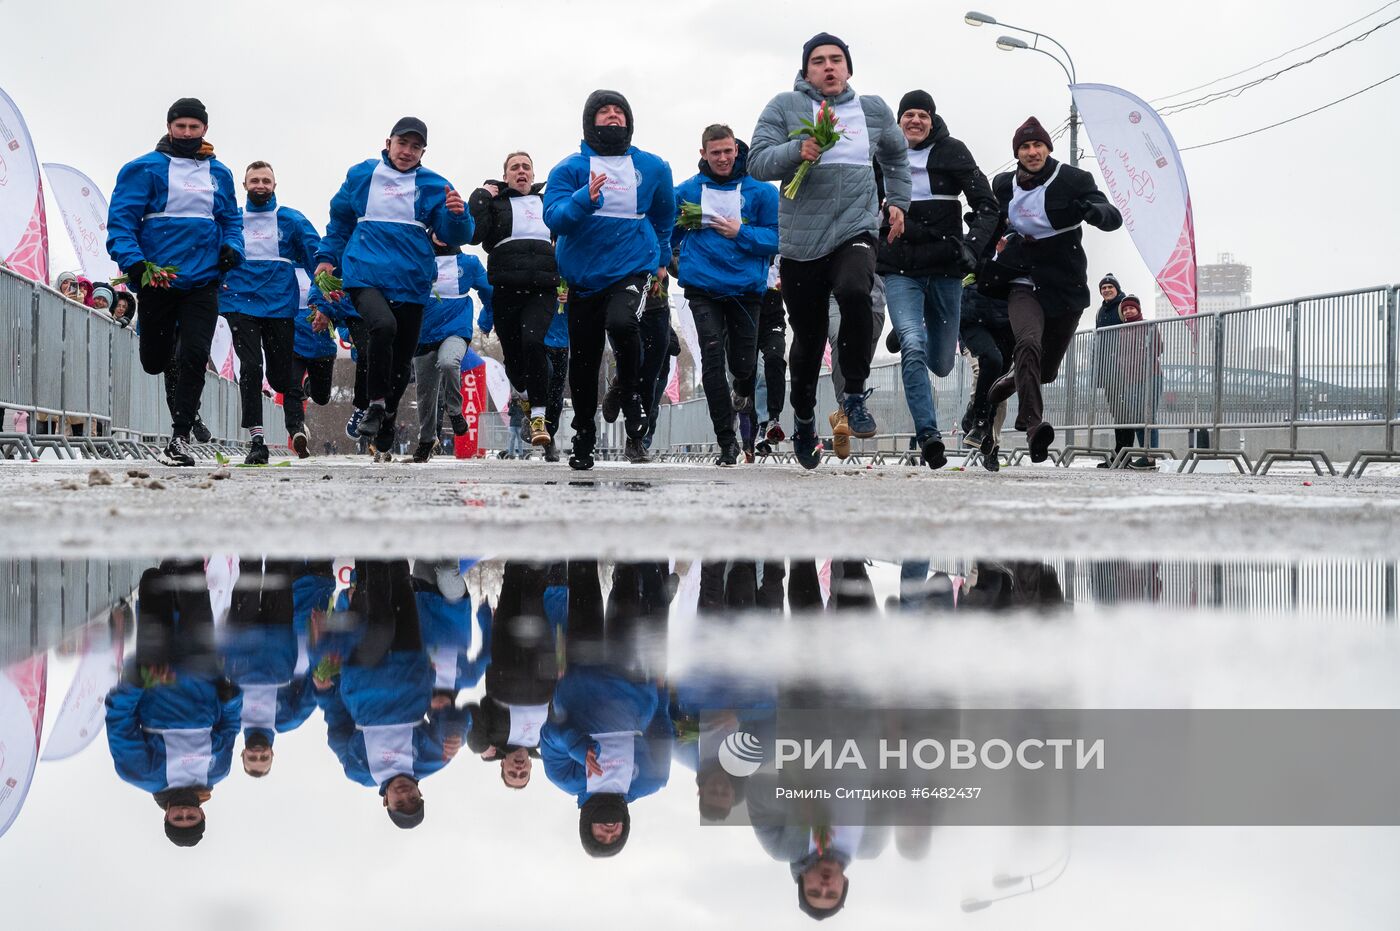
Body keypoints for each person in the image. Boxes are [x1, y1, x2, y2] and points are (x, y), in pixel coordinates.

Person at [749, 33, 911, 469]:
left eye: (836, 60)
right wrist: (795, 150)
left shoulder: (872, 109)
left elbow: (897, 157)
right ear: (806, 72)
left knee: (857, 290)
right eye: (818, 61)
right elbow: (757, 162)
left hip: (855, 228)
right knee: (808, 338)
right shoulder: (785, 106)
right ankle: (803, 420)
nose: (828, 67)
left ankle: (854, 395)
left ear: (848, 68)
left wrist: (897, 201)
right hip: (802, 241)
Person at [315, 117, 473, 459]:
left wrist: (459, 215)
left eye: (416, 147)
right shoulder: (362, 176)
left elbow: (454, 235)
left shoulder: (434, 185)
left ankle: (387, 419)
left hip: (412, 283)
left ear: (423, 152)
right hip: (365, 275)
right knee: (382, 328)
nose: (407, 152)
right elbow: (340, 221)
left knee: (402, 363)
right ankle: (374, 405)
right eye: (402, 144)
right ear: (387, 143)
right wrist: (327, 256)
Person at [106, 97, 244, 466]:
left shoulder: (221, 174)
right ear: (169, 127)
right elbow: (121, 221)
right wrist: (134, 263)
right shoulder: (144, 169)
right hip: (158, 281)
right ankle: (164, 364)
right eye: (180, 126)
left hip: (203, 279)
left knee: (196, 354)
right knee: (155, 359)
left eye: (193, 127)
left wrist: (232, 246)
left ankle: (180, 435)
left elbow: (231, 219)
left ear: (205, 130)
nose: (186, 133)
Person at [544, 90, 675, 470]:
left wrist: (662, 255)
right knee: (583, 362)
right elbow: (554, 218)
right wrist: (583, 199)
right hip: (583, 278)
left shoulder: (652, 167)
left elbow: (664, 215)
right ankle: (584, 432)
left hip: (631, 269)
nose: (614, 116)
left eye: (620, 111)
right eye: (605, 112)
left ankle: (632, 395)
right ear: (589, 122)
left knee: (622, 323)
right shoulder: (568, 169)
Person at [981, 116, 1123, 462]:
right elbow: (988, 220)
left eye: (1037, 145)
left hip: (1064, 284)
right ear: (1017, 152)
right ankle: (1033, 426)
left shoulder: (1073, 180)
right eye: (1025, 147)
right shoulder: (1003, 185)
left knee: (1044, 370)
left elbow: (1112, 214)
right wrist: (975, 252)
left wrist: (1094, 212)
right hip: (1021, 279)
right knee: (1027, 343)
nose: (1032, 152)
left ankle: (1001, 387)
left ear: (1048, 147)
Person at [878, 90, 998, 470]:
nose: (914, 121)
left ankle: (916, 331)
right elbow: (858, 204)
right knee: (912, 346)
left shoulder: (953, 152)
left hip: (946, 272)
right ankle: (929, 436)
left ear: (932, 120)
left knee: (943, 364)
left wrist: (972, 248)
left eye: (922, 115)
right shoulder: (881, 157)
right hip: (900, 271)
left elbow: (988, 206)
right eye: (907, 115)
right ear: (898, 122)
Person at [310, 560, 467, 828]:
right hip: (410, 665)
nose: (405, 795)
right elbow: (457, 719)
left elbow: (338, 725)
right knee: (400, 585)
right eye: (413, 800)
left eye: (400, 803)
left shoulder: (360, 769)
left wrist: (325, 692)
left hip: (364, 676)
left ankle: (373, 538)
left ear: (386, 802)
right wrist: (454, 730)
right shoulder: (430, 761)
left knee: (378, 616)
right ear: (421, 794)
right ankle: (387, 537)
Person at [105, 562, 242, 847]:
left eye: (178, 819)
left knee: (154, 579)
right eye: (190, 818)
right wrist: (231, 697)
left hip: (158, 664)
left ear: (166, 818)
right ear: (201, 814)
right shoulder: (218, 770)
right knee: (192, 575)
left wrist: (138, 682)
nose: (183, 813)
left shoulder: (140, 773)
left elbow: (119, 721)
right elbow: (229, 725)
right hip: (202, 665)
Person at [673, 125, 781, 466]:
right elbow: (666, 231)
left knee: (744, 365)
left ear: (737, 151)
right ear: (703, 154)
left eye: (727, 151)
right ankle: (726, 442)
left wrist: (742, 232)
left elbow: (779, 238)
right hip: (703, 288)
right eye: (715, 152)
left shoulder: (761, 192)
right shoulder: (686, 192)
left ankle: (742, 390)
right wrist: (675, 261)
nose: (722, 158)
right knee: (712, 358)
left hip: (746, 289)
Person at [220, 161, 323, 463]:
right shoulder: (232, 219)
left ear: (275, 186)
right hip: (240, 303)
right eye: (255, 180)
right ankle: (257, 440)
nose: (260, 185)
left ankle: (296, 412)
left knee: (280, 378)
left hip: (279, 305)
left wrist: (327, 291)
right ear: (244, 186)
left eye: (266, 180)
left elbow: (317, 258)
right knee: (250, 367)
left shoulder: (291, 220)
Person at [468, 152, 559, 450]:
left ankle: (538, 417)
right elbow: (474, 235)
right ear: (505, 176)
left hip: (542, 288)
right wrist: (481, 195)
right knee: (514, 359)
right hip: (506, 289)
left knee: (533, 342)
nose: (521, 172)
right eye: (514, 168)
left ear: (533, 174)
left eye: (526, 167)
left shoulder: (547, 202)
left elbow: (568, 236)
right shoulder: (495, 204)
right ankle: (521, 395)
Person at [466, 561, 559, 790]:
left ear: (502, 765)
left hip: (504, 665)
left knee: (511, 587)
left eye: (512, 773)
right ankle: (540, 556)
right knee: (532, 602)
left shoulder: (493, 740)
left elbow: (471, 711)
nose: (518, 769)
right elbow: (565, 717)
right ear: (530, 766)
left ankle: (520, 544)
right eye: (523, 773)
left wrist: (481, 746)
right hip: (540, 672)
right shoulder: (543, 743)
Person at [409, 238, 490, 462]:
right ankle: (426, 440)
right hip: (424, 335)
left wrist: (486, 319)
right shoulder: (419, 259)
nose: (444, 235)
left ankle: (454, 411)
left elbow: (488, 290)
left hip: (455, 330)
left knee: (448, 362)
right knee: (425, 394)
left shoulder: (469, 263)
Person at [1113, 294, 1163, 470]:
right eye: (1125, 309)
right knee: (1137, 418)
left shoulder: (1148, 325)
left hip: (1150, 376)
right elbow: (1120, 353)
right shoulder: (1121, 330)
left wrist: (1141, 359)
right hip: (1130, 379)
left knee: (1149, 416)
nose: (1128, 311)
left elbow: (1159, 348)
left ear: (1138, 309)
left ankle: (1150, 457)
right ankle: (1145, 454)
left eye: (1131, 308)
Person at [1092, 273, 1134, 466]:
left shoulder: (1122, 306)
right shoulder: (1100, 311)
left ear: (1117, 289)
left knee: (1126, 413)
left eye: (1110, 287)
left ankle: (1126, 454)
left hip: (1123, 369)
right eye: (1103, 288)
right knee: (1117, 413)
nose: (1107, 290)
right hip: (1107, 370)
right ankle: (1120, 453)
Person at [754, 261, 788, 454]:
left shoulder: (780, 245)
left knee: (772, 361)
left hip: (773, 318)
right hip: (746, 313)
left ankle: (769, 421)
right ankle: (740, 392)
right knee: (747, 374)